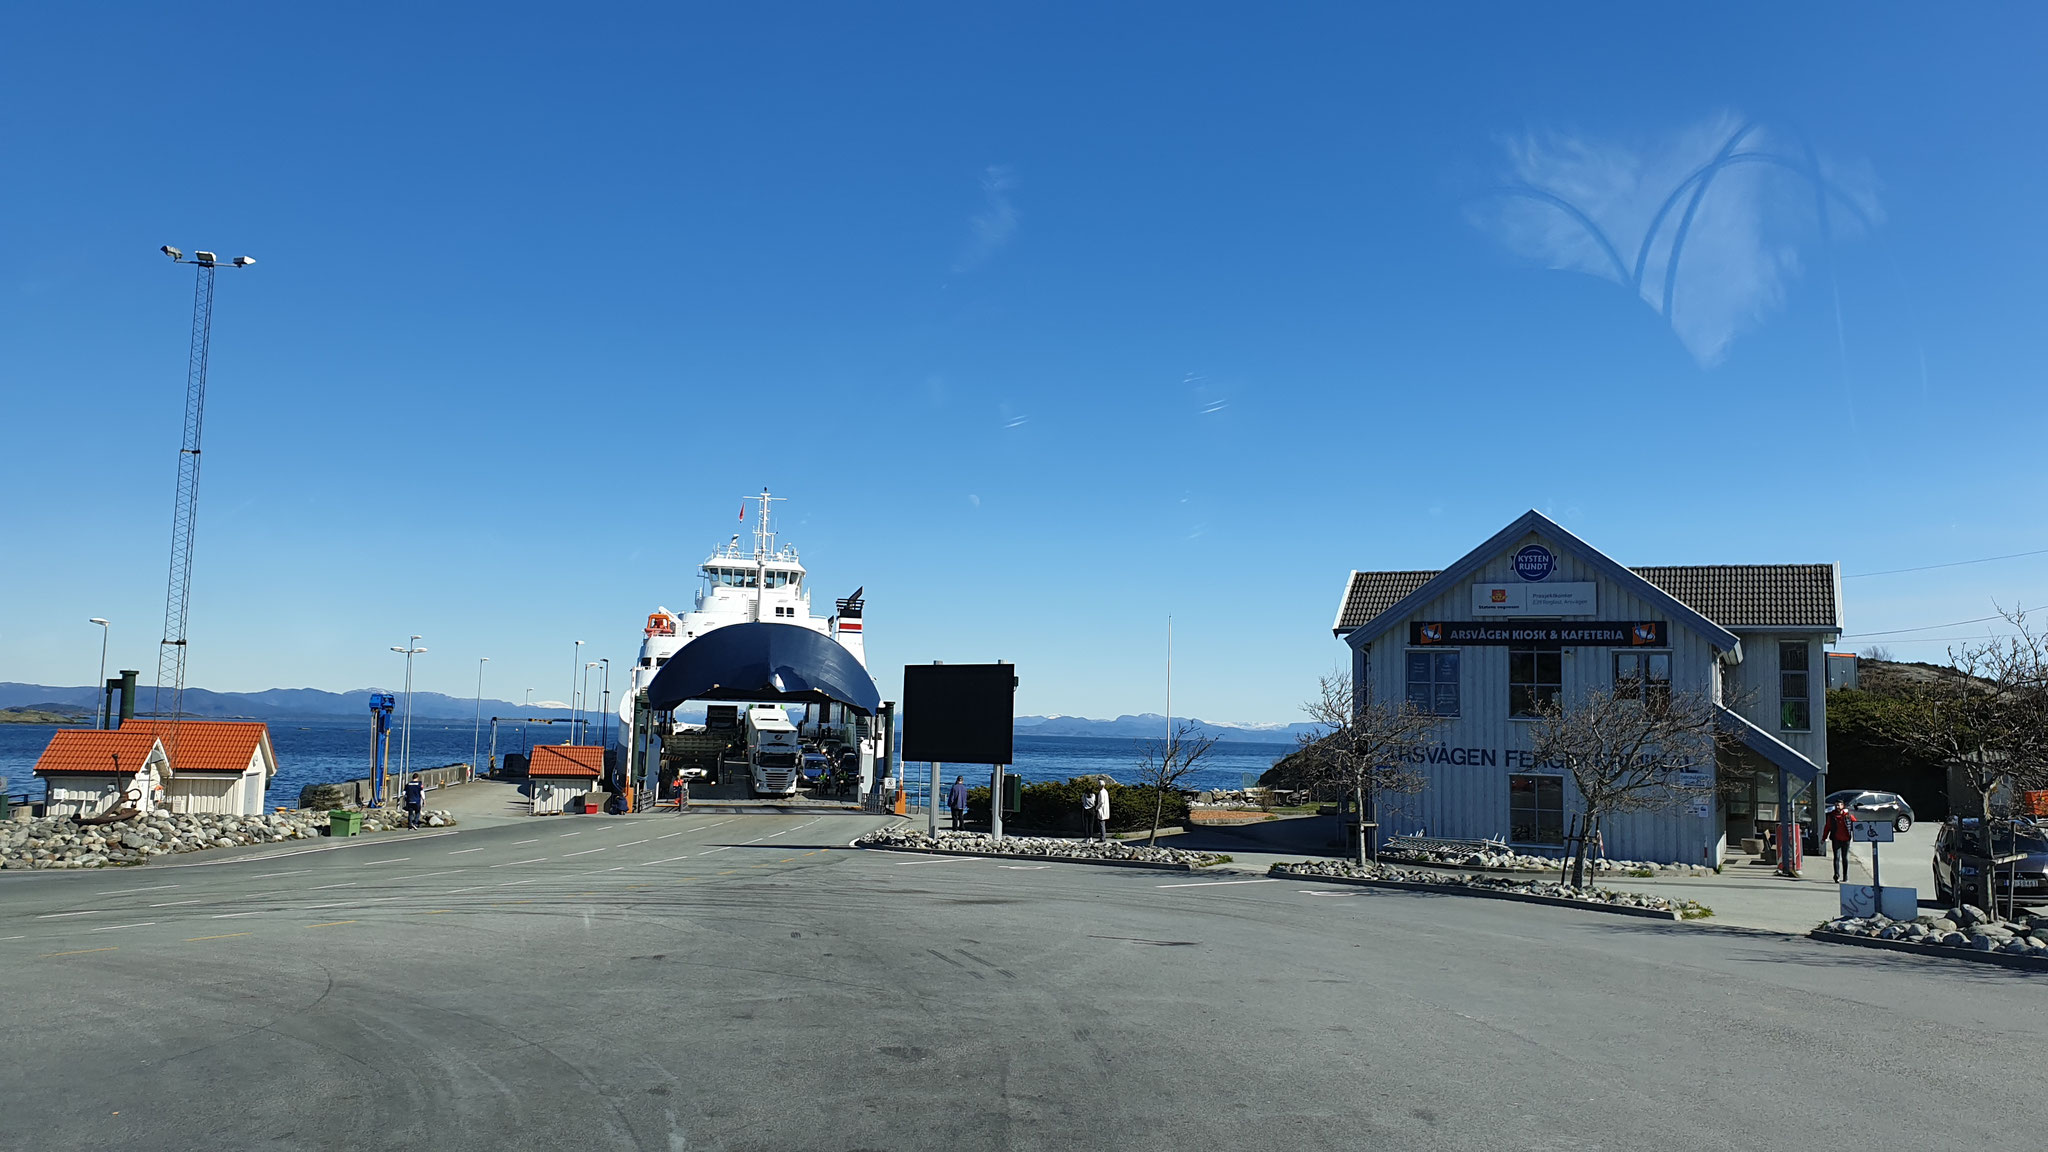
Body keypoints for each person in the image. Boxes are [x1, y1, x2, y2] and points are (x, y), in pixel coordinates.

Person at [1822, 799, 1856, 882]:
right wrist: (1824, 838)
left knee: (1845, 858)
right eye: (1836, 805)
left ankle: (1845, 876)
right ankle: (1836, 874)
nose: (1838, 806)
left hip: (1846, 839)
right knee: (1836, 857)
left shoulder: (1848, 815)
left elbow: (1856, 825)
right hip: (1836, 839)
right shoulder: (1832, 816)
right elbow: (1827, 827)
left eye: (1839, 805)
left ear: (1843, 806)